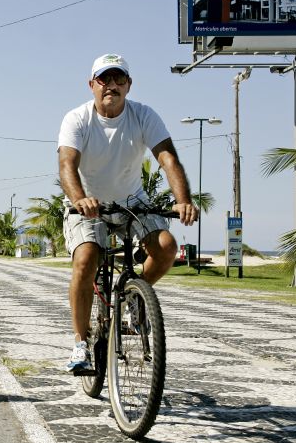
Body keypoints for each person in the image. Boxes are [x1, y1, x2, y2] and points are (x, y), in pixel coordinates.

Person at [58, 54, 198, 374]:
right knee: (86, 258)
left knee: (165, 247)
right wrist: (80, 199)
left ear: (129, 85)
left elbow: (168, 160)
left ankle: (133, 298)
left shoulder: (143, 116)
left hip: (132, 201)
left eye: (119, 79)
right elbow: (67, 165)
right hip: (87, 202)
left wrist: (183, 200)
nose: (112, 86)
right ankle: (80, 343)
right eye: (104, 80)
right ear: (92, 85)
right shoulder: (77, 119)